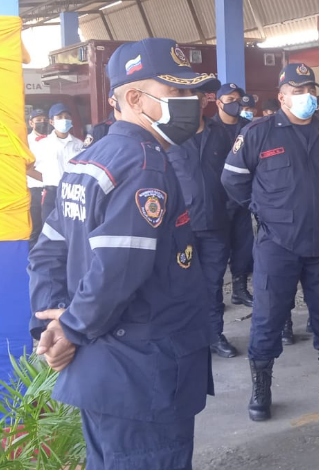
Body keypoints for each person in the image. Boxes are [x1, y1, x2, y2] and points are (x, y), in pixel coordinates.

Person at [28, 37, 216, 470]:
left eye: (192, 92)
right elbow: (118, 270)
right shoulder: (143, 165)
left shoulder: (88, 161)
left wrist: (53, 319)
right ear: (134, 98)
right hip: (142, 373)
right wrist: (69, 330)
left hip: (103, 369)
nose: (193, 102)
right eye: (178, 93)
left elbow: (47, 252)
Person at [222, 62, 319, 422]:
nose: (307, 97)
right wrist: (262, 208)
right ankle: (262, 388)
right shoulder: (258, 133)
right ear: (282, 96)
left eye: (310, 90)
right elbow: (233, 180)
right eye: (299, 91)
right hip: (277, 244)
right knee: (268, 318)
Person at [166, 85, 240, 359]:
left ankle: (213, 334)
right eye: (186, 99)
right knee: (180, 284)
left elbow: (233, 174)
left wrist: (229, 207)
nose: (192, 104)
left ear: (205, 102)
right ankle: (182, 337)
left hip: (217, 224)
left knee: (212, 284)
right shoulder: (168, 136)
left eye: (196, 99)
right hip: (180, 227)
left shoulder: (221, 133)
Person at [211, 83, 255, 308]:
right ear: (218, 103)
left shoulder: (249, 128)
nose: (235, 104)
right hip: (218, 202)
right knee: (218, 250)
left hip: (244, 200)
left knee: (244, 247)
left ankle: (239, 289)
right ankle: (214, 295)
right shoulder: (208, 129)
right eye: (229, 100)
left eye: (238, 99)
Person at [36, 103, 84, 222]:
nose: (64, 120)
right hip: (52, 191)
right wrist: (47, 179)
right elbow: (29, 168)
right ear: (52, 122)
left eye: (67, 117)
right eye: (60, 117)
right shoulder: (43, 144)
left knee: (71, 226)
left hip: (73, 192)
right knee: (49, 227)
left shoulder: (79, 144)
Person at [26, 108, 49, 248]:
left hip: (51, 189)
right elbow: (26, 168)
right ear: (31, 123)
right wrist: (47, 178)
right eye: (38, 120)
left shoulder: (52, 139)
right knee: (35, 228)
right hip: (34, 189)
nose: (42, 123)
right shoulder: (26, 142)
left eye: (45, 120)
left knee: (49, 228)